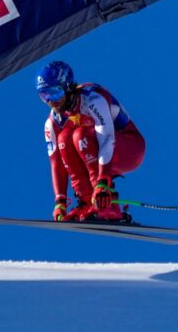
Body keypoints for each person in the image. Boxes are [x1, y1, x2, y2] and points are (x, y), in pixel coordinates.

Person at [36, 60, 146, 222]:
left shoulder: (92, 99)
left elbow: (107, 138)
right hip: (98, 156)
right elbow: (57, 164)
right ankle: (87, 202)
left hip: (129, 149)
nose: (51, 101)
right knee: (63, 139)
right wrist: (59, 202)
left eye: (55, 93)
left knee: (80, 134)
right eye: (44, 96)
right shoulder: (52, 122)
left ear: (67, 87)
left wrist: (102, 182)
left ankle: (108, 206)